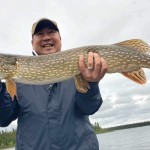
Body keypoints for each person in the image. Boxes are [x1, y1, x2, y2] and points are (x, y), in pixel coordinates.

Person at [0, 18, 107, 150]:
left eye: (51, 32)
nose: (46, 37)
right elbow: (4, 119)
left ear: (60, 39)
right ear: (32, 43)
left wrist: (92, 84)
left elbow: (89, 108)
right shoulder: (16, 82)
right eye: (40, 34)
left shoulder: (80, 70)